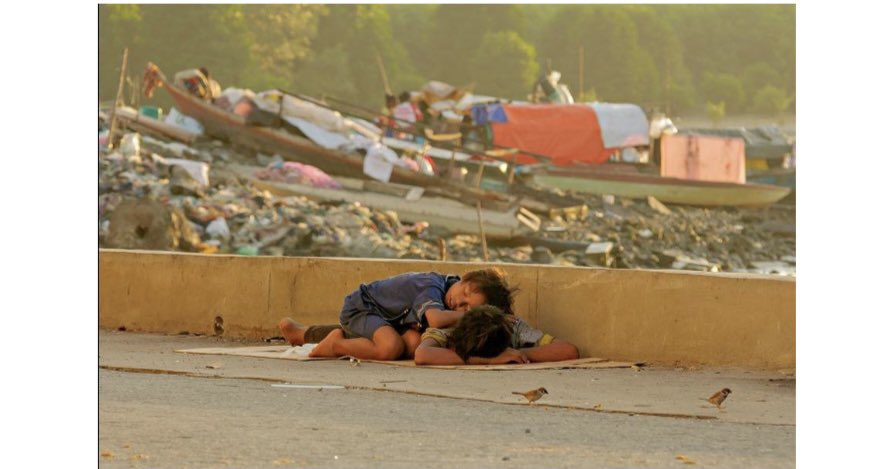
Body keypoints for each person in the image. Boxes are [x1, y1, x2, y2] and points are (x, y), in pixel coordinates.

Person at [279, 276, 579, 364]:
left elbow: (569, 350)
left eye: (469, 307)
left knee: (404, 339)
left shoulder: (510, 326)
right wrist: (486, 360)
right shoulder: (438, 302)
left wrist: (517, 354)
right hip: (365, 305)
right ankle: (333, 346)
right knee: (391, 346)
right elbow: (428, 344)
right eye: (464, 301)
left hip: (393, 318)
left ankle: (302, 333)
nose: (460, 305)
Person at [414, 305, 527, 366]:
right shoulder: (446, 333)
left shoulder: (499, 336)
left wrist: (516, 355)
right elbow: (421, 355)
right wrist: (489, 360)